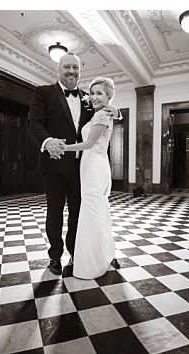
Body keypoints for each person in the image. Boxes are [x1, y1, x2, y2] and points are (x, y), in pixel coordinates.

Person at [27, 53, 116, 275]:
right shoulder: (44, 92)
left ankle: (77, 252)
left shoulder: (88, 97)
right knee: (54, 213)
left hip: (81, 168)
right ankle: (55, 257)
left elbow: (102, 117)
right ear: (58, 69)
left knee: (79, 213)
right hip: (53, 166)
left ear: (80, 71)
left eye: (75, 67)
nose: (71, 71)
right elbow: (33, 122)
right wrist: (47, 142)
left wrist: (119, 112)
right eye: (66, 66)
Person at [62, 77, 117, 279]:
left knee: (93, 212)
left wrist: (63, 147)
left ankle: (93, 263)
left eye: (99, 93)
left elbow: (89, 143)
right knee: (96, 212)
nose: (94, 97)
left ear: (108, 96)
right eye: (92, 93)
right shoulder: (97, 114)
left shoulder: (102, 115)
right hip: (90, 165)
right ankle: (101, 255)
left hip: (94, 167)